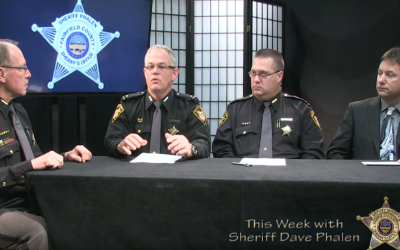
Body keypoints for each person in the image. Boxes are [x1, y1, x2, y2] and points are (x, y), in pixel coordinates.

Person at [0, 39, 92, 249]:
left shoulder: (19, 112)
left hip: (29, 201)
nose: (29, 74)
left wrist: (65, 156)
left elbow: (35, 161)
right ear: (2, 74)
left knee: (79, 218)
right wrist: (32, 165)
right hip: (4, 207)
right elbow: (31, 166)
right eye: (22, 68)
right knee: (37, 232)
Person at [212, 49, 324, 158]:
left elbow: (313, 152)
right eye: (253, 73)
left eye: (263, 74)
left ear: (279, 76)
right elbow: (222, 149)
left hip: (288, 175)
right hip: (244, 175)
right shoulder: (235, 110)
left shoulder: (300, 110)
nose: (256, 79)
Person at [104, 44, 211, 158]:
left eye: (161, 66)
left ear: (174, 73)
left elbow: (204, 144)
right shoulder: (129, 105)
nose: (155, 71)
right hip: (135, 173)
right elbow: (110, 141)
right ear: (145, 73)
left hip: (176, 173)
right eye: (150, 67)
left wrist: (191, 148)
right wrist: (120, 145)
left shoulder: (189, 106)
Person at [327, 47, 400, 160]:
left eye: (390, 75)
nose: (381, 80)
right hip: (365, 177)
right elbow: (335, 153)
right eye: (380, 73)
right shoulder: (357, 111)